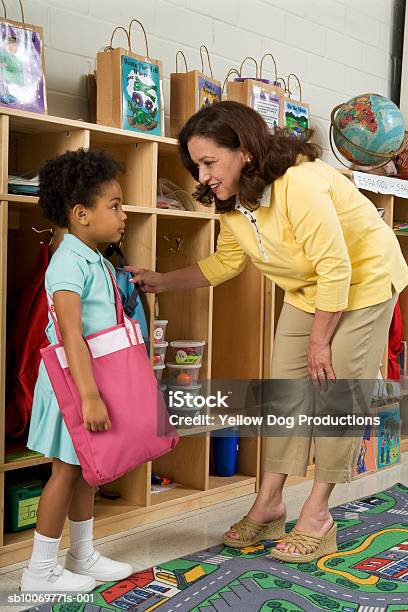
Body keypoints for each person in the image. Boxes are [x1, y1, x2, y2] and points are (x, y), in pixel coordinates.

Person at [126, 100, 408, 563]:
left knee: (335, 390)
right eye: (196, 165)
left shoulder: (301, 184)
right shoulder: (235, 204)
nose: (201, 176)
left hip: (365, 280)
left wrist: (321, 343)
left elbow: (336, 266)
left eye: (209, 162)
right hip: (310, 287)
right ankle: (270, 503)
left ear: (246, 152)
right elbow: (225, 263)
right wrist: (161, 280)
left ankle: (318, 515)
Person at [22, 149, 132, 591]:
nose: (123, 215)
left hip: (89, 380)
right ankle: (39, 571)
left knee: (88, 469)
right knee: (65, 471)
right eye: (115, 206)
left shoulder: (95, 259)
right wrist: (87, 396)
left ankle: (81, 554)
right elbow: (71, 336)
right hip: (72, 385)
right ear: (81, 214)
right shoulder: (68, 262)